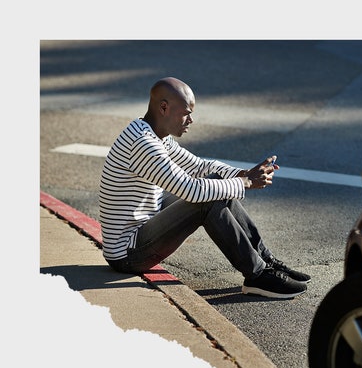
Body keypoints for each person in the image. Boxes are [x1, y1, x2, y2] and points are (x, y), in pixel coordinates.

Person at [99, 76, 310, 299]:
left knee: (216, 184)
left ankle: (266, 262)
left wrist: (244, 174)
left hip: (143, 227)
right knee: (206, 200)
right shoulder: (144, 144)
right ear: (164, 107)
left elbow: (200, 167)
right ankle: (257, 275)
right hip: (128, 253)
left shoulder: (154, 135)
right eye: (186, 113)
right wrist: (245, 183)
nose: (190, 120)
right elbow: (191, 190)